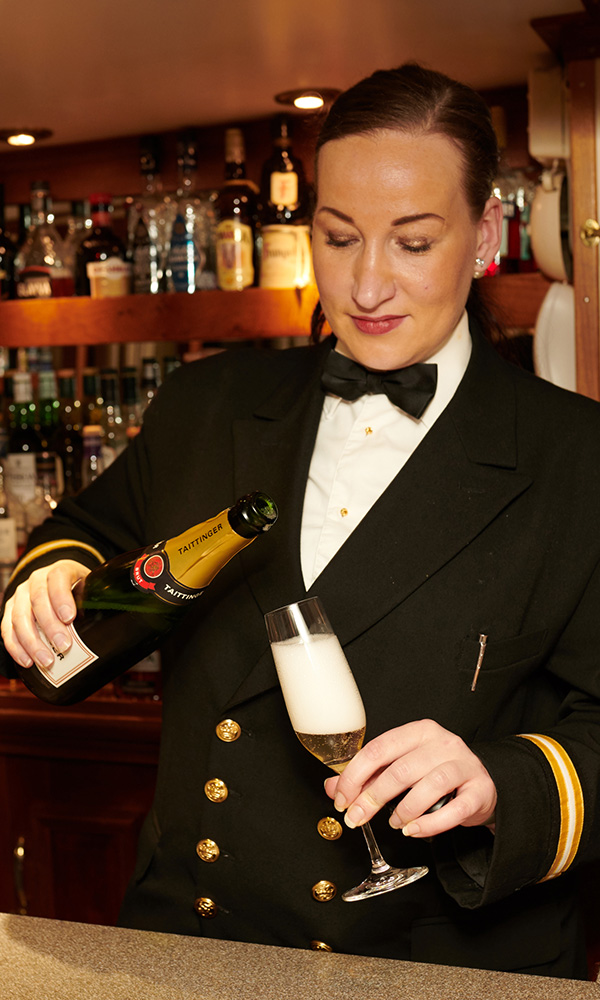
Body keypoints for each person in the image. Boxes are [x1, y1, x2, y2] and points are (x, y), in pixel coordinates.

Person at [2, 63, 600, 980]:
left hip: (434, 965)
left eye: (412, 242)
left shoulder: (575, 458)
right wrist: (47, 582)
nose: (366, 286)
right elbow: (84, 535)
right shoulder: (209, 402)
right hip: (183, 950)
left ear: (483, 236)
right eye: (338, 236)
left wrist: (502, 781)